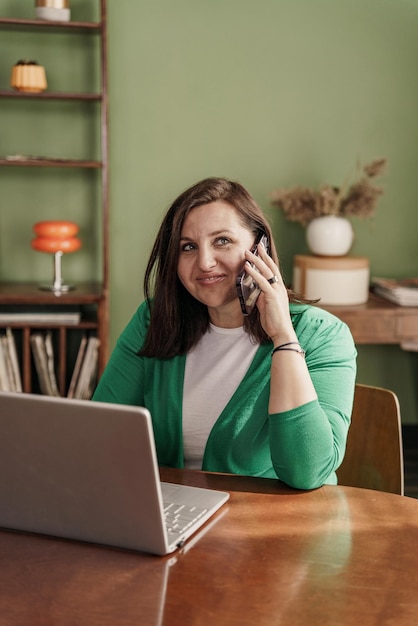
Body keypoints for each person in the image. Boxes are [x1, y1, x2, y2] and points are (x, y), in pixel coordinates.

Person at [92, 177, 357, 490]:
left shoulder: (322, 335)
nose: (205, 262)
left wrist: (283, 338)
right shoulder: (154, 320)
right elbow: (100, 436)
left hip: (275, 526)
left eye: (222, 241)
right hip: (173, 515)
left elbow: (307, 473)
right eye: (188, 247)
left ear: (261, 248)